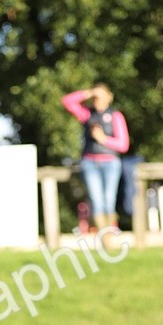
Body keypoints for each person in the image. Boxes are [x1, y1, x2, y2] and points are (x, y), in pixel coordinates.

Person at [61, 84, 129, 229]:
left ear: (109, 98)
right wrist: (88, 93)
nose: (97, 100)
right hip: (90, 163)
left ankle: (110, 234)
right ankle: (103, 236)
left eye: (101, 96)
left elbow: (124, 145)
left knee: (108, 201)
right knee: (96, 201)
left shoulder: (115, 116)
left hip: (110, 163)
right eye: (95, 97)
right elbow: (67, 101)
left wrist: (104, 139)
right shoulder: (87, 114)